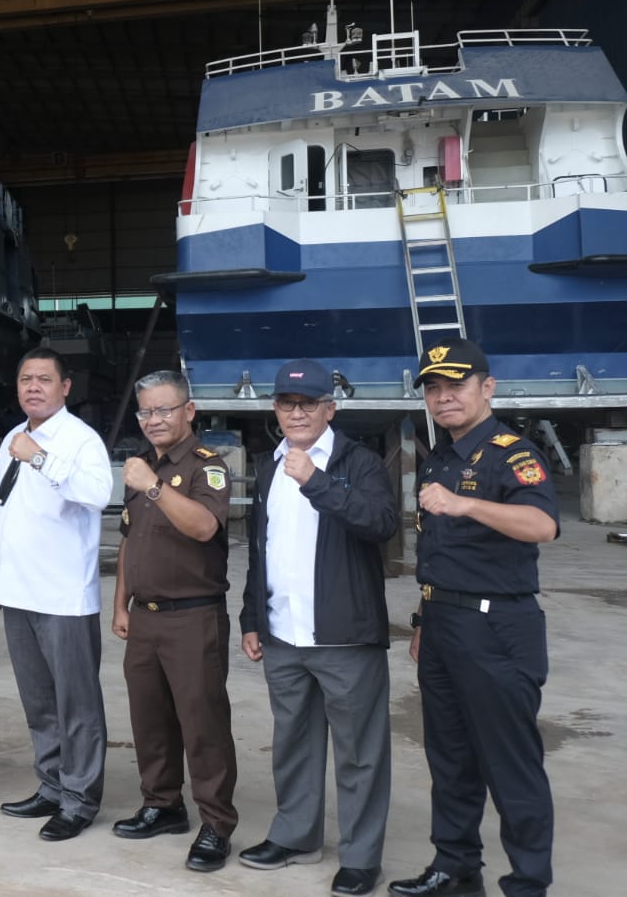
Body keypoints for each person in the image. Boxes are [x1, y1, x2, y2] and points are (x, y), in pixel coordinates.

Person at [389, 337, 559, 897]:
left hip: (496, 629)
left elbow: (542, 526)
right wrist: (424, 619)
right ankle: (456, 868)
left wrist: (465, 504)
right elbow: (443, 551)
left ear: (487, 388)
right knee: (450, 758)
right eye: (433, 388)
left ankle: (527, 884)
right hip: (442, 624)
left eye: (456, 385)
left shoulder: (514, 454)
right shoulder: (441, 457)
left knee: (510, 764)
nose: (443, 397)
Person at [240, 359, 398, 897]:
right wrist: (252, 617)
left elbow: (381, 524)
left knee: (359, 753)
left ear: (330, 409)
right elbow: (259, 550)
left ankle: (360, 857)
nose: (298, 413)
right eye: (288, 403)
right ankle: (295, 836)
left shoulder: (361, 463)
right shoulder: (268, 467)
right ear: (275, 409)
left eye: (309, 403)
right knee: (293, 744)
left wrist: (317, 482)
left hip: (345, 637)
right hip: (284, 636)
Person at [110, 369, 237, 871]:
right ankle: (162, 805)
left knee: (203, 725)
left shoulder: (208, 466)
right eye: (146, 411)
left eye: (164, 409)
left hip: (192, 617)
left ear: (189, 411)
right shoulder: (143, 466)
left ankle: (216, 824)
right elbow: (128, 540)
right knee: (150, 721)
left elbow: (204, 527)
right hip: (145, 618)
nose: (154, 419)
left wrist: (155, 487)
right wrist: (120, 604)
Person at [0, 346, 114, 842]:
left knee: (76, 704)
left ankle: (80, 799)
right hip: (19, 593)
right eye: (25, 379)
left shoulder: (81, 440)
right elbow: (9, 514)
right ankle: (52, 784)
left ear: (65, 387)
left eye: (43, 379)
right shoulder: (12, 438)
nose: (33, 387)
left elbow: (98, 495)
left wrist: (39, 458)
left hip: (63, 597)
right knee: (39, 702)